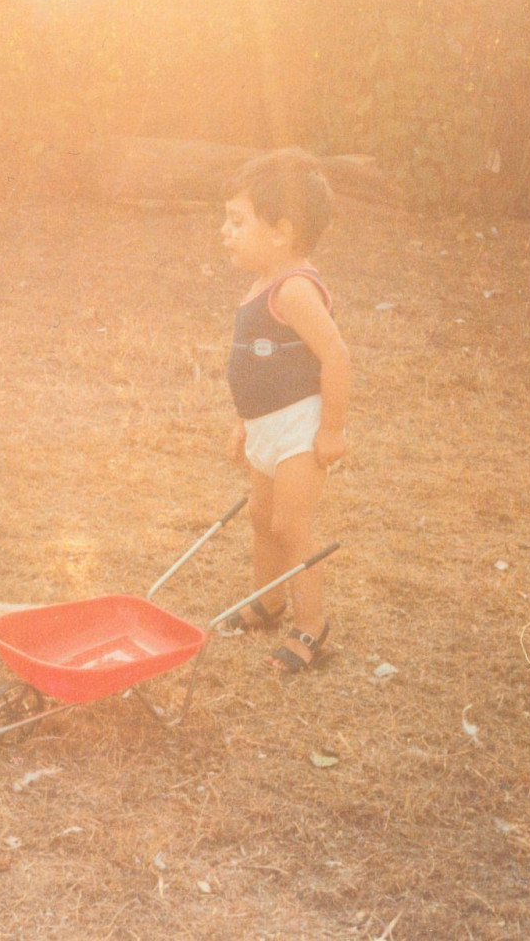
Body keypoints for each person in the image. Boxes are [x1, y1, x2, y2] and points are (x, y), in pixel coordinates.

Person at [219, 148, 350, 674]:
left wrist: (332, 430)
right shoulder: (262, 285)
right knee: (258, 517)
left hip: (300, 430)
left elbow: (336, 356)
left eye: (236, 221)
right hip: (266, 429)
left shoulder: (295, 290)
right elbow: (260, 369)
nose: (223, 231)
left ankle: (311, 629)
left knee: (290, 525)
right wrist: (245, 424)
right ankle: (268, 602)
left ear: (281, 232)